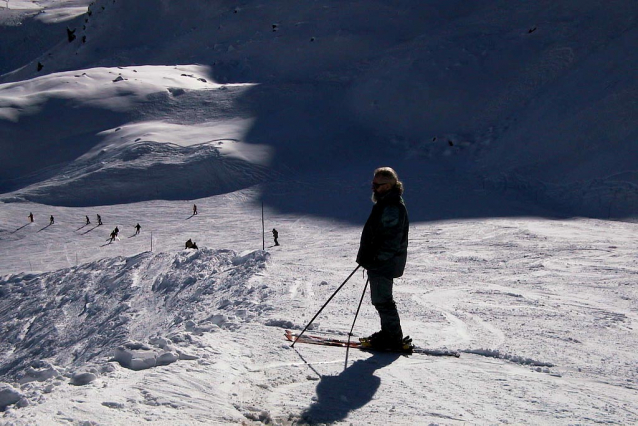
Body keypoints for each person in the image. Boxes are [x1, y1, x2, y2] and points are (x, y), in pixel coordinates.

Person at [356, 167, 409, 350]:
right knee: (381, 299)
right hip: (380, 261)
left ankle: (392, 337)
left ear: (387, 186)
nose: (373, 188)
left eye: (377, 185)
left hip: (384, 262)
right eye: (373, 183)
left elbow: (391, 240)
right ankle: (389, 333)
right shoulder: (386, 203)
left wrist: (377, 258)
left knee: (383, 300)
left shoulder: (392, 206)